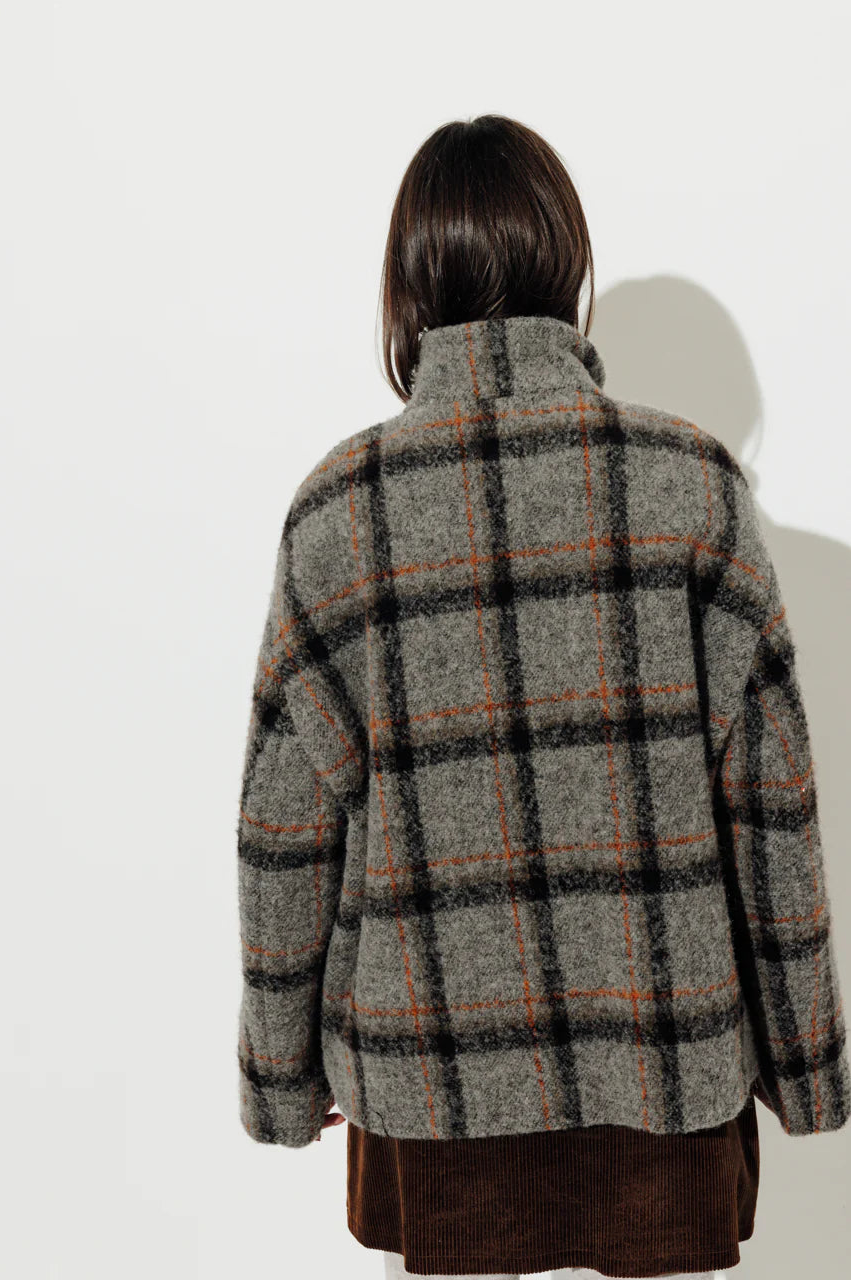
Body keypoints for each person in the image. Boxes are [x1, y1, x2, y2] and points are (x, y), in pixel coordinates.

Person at [234, 114, 850, 1279]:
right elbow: (772, 806)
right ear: (569, 268)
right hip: (664, 1067)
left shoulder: (339, 512)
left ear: (407, 288)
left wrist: (282, 1073)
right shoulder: (694, 487)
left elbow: (285, 832)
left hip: (426, 1071)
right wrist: (804, 1062)